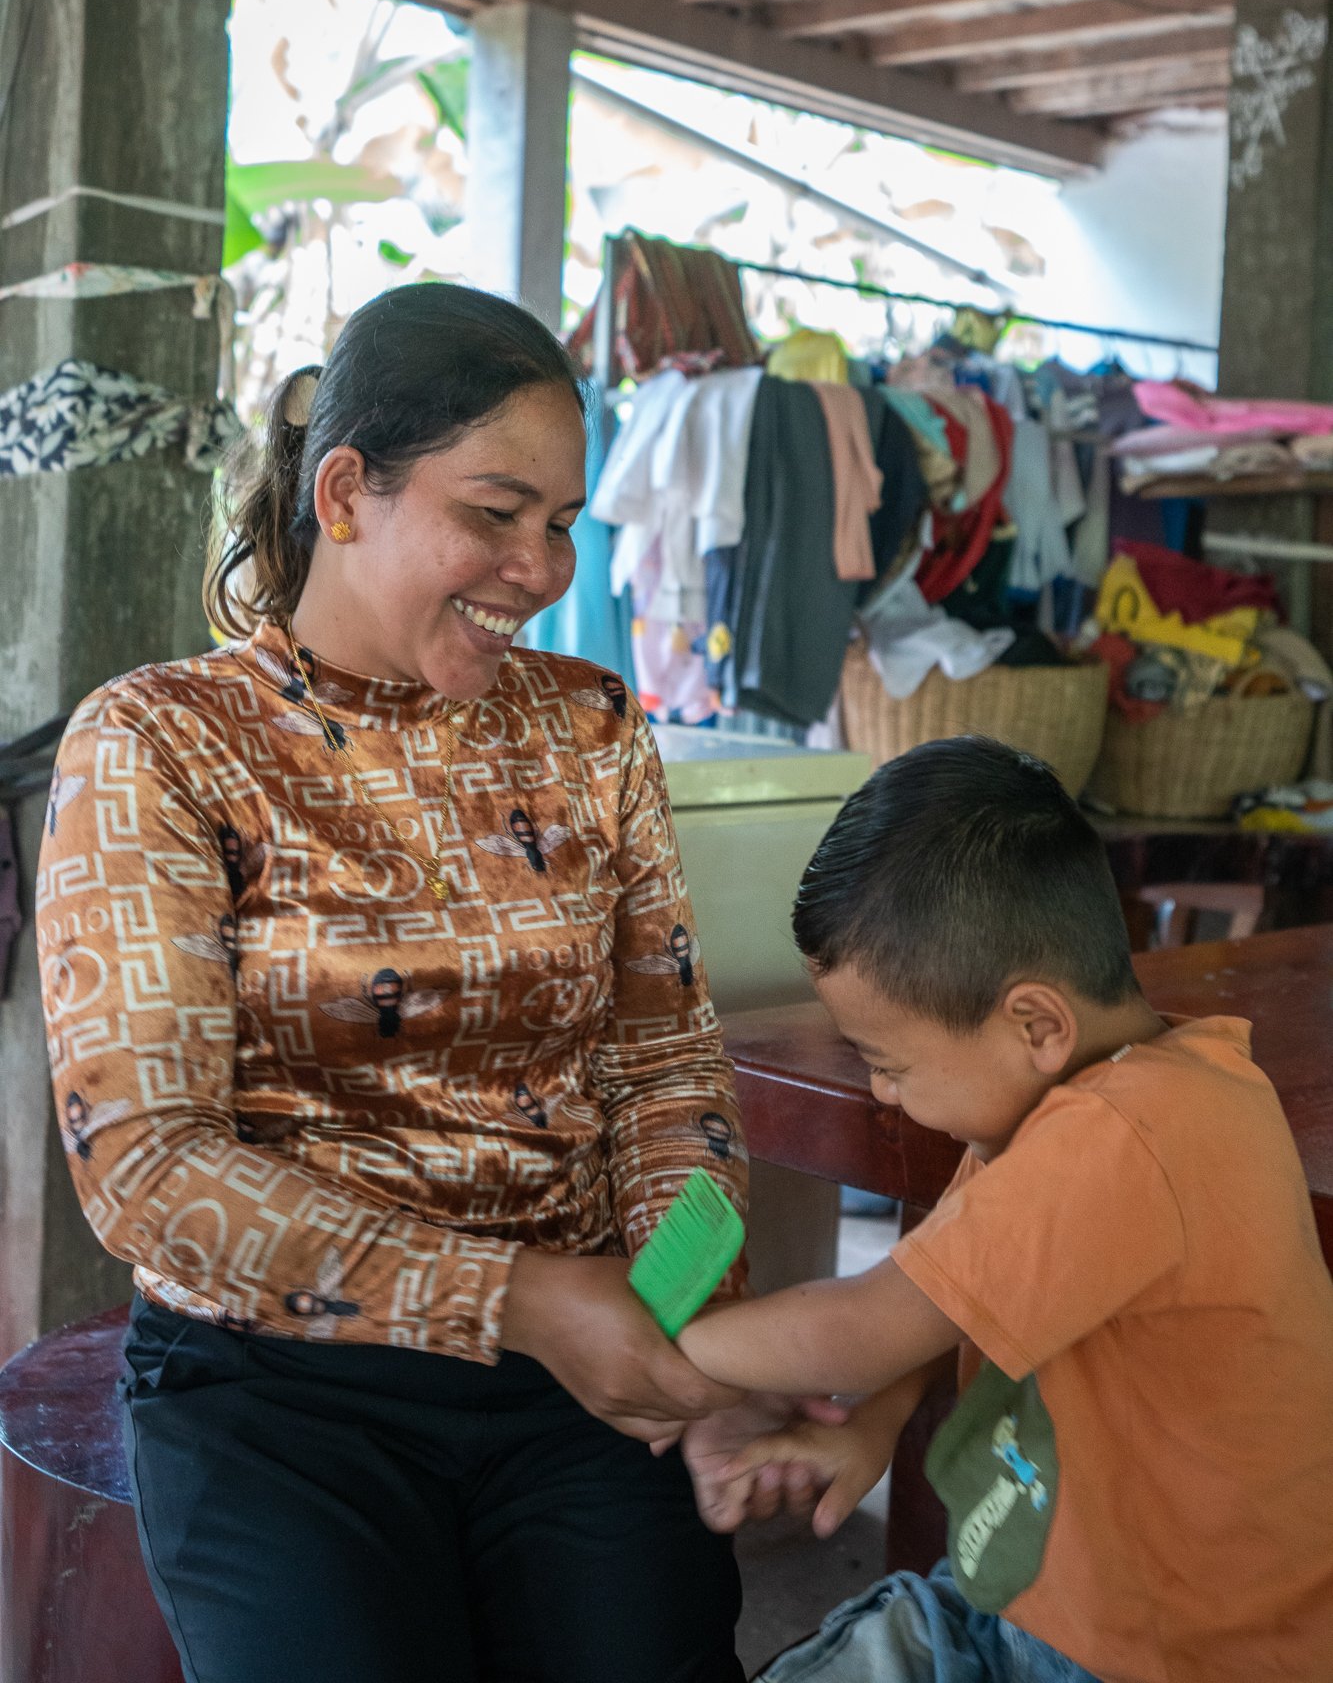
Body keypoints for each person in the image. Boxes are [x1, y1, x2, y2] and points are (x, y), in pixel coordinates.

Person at [36, 283, 794, 1683]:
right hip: (275, 1395)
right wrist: (517, 1298)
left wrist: (672, 1316)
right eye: (496, 513)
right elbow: (147, 1165)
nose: (542, 565)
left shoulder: (591, 726)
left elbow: (664, 1069)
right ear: (342, 492)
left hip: (574, 1377)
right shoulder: (162, 741)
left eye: (562, 522)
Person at [673, 738, 1333, 1683]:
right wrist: (872, 1423)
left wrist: (660, 1345)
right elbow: (944, 1296)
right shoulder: (1058, 1111)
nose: (884, 1095)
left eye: (889, 1063)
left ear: (1035, 1025)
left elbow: (868, 1323)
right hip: (1029, 1598)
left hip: (1171, 1654)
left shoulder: (1131, 1132)